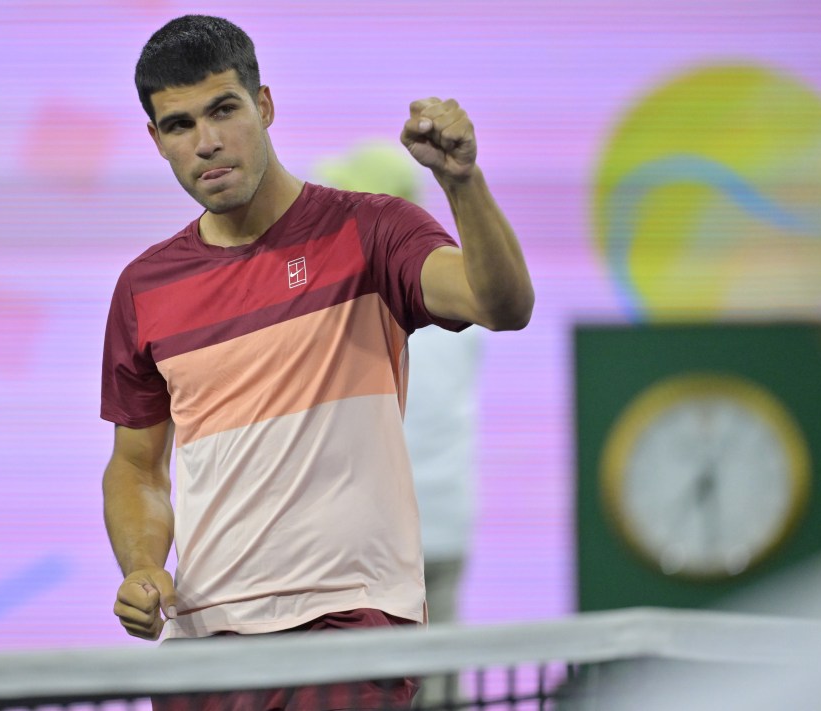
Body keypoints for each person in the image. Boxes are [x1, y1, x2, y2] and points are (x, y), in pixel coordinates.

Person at [100, 14, 533, 710]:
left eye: (223, 110)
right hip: (204, 643)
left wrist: (463, 182)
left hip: (349, 623)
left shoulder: (371, 230)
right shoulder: (143, 288)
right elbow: (137, 467)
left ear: (264, 105)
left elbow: (501, 303)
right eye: (179, 125)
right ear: (156, 139)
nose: (206, 142)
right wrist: (144, 566)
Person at [315, 141, 482, 709]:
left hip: (371, 538)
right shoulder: (459, 294)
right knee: (435, 690)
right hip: (444, 525)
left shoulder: (354, 304)